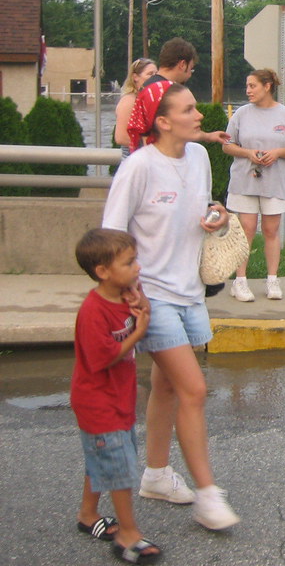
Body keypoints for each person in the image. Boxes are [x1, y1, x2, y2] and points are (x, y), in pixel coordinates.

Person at [102, 80, 241, 531]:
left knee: (165, 387)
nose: (199, 116)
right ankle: (208, 494)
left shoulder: (200, 157)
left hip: (189, 291)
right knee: (194, 391)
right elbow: (110, 235)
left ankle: (156, 476)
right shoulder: (139, 167)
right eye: (189, 109)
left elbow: (207, 206)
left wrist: (216, 214)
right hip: (152, 296)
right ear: (163, 122)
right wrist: (127, 298)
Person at [71, 228, 161, 564]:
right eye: (129, 262)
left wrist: (141, 303)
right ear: (103, 272)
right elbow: (102, 358)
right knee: (119, 465)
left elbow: (144, 310)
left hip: (118, 398)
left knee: (103, 457)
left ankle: (87, 514)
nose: (138, 267)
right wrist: (137, 332)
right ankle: (128, 533)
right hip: (98, 402)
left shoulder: (125, 293)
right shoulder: (93, 311)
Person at [222, 69, 285, 302]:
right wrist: (248, 153)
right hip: (244, 180)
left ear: (267, 86)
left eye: (252, 86)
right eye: (247, 86)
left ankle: (272, 279)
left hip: (274, 182)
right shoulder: (241, 114)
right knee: (246, 229)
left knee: (271, 230)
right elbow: (227, 145)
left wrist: (278, 152)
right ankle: (240, 281)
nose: (248, 91)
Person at [125, 37, 229, 152]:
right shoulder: (161, 92)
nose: (190, 75)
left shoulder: (149, 87)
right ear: (182, 65)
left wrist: (208, 136)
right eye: (191, 69)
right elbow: (149, 135)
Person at [113, 58, 157, 158]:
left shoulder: (148, 100)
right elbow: (121, 137)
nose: (154, 78)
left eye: (156, 74)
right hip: (132, 161)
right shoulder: (129, 100)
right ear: (135, 77)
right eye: (150, 74)